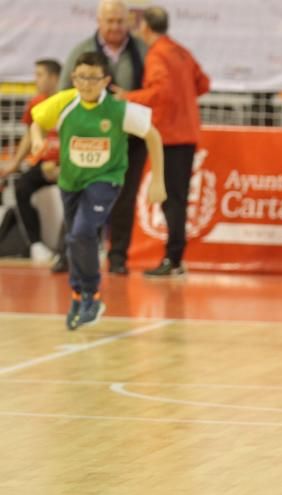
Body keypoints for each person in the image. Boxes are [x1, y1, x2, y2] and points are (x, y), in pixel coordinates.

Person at [31, 51, 165, 330]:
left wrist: (158, 181)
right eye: (81, 77)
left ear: (105, 80)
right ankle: (78, 293)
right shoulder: (66, 102)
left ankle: (92, 294)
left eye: (93, 78)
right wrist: (36, 141)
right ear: (73, 78)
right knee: (74, 239)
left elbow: (153, 135)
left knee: (82, 231)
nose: (87, 84)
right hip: (71, 181)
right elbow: (37, 122)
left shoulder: (119, 109)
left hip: (106, 179)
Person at [118, 6, 210, 278]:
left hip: (170, 135)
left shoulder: (157, 54)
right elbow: (203, 83)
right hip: (187, 132)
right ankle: (175, 257)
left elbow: (160, 93)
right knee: (176, 197)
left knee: (172, 199)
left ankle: (173, 258)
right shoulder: (180, 51)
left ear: (145, 27)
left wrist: (127, 97)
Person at [61, 0, 147, 275]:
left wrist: (129, 100)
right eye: (109, 21)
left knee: (125, 198)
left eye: (120, 21)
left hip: (128, 141)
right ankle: (70, 254)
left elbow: (154, 91)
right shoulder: (82, 50)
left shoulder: (143, 51)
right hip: (88, 140)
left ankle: (118, 256)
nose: (115, 27)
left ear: (129, 22)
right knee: (77, 195)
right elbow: (63, 93)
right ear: (99, 22)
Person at [0, 59, 62, 264]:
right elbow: (28, 136)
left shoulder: (68, 102)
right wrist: (15, 163)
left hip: (66, 166)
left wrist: (62, 165)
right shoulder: (36, 103)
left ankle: (69, 246)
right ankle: (36, 244)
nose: (36, 80)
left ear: (54, 78)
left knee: (82, 192)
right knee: (21, 187)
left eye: (40, 75)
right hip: (42, 165)